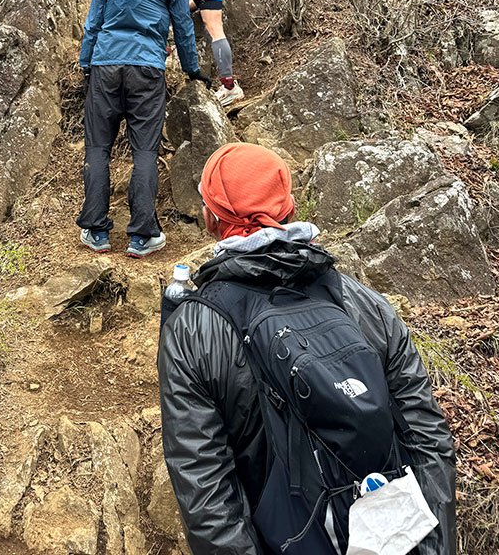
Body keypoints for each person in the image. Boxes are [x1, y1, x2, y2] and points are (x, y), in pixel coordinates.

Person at [158, 142, 457, 555]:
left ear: (211, 219)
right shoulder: (364, 303)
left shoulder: (193, 328)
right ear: (291, 208)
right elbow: (427, 437)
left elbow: (206, 491)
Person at [77, 0, 210, 258]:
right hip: (147, 69)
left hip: (105, 64)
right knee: (145, 151)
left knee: (97, 147)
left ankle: (95, 230)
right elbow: (182, 29)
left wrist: (85, 62)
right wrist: (193, 70)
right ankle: (142, 236)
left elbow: (93, 22)